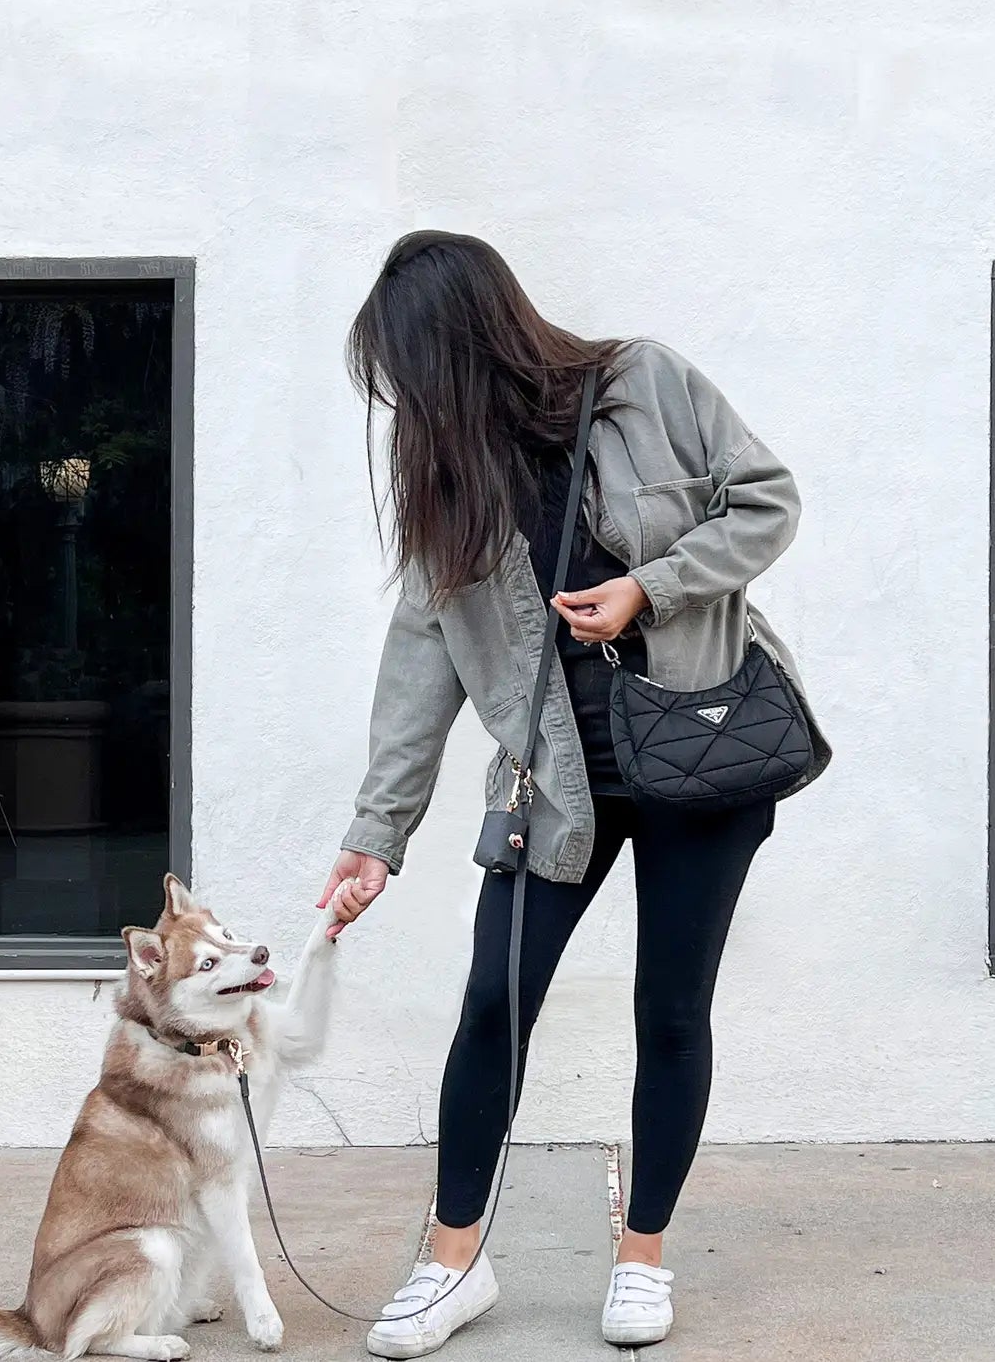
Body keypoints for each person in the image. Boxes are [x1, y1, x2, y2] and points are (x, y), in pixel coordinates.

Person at [317, 231, 828, 1357]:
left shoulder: (644, 382)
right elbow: (420, 659)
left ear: (461, 342)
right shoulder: (447, 477)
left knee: (669, 1007)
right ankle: (452, 1260)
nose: (404, 400)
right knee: (493, 1005)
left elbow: (764, 500)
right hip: (558, 784)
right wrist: (375, 836)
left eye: (409, 370)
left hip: (700, 752)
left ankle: (641, 1254)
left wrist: (650, 586)